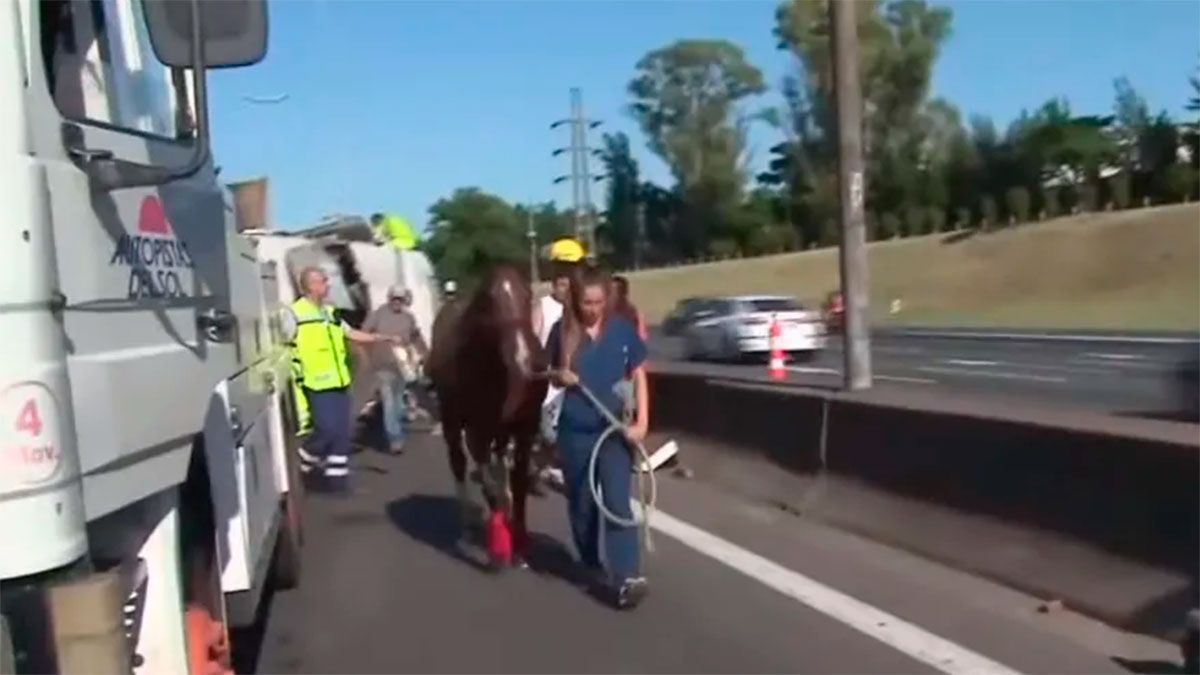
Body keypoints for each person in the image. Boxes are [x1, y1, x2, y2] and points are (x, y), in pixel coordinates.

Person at [547, 266, 651, 610]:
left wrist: (642, 422)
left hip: (614, 431)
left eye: (599, 302)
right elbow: (550, 373)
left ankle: (627, 576)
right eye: (586, 303)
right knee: (583, 503)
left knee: (618, 503)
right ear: (575, 301)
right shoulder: (562, 332)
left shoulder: (621, 330)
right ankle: (590, 559)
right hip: (576, 431)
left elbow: (639, 374)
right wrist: (561, 376)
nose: (593, 309)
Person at [286, 267, 398, 494]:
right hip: (317, 383)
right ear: (310, 286)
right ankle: (307, 454)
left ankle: (338, 483)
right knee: (327, 429)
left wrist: (381, 337)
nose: (327, 285)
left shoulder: (330, 312)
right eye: (323, 281)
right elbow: (284, 345)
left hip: (340, 381)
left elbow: (351, 333)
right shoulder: (294, 314)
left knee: (342, 433)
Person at [362, 285, 429, 454]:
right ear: (390, 298)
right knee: (390, 403)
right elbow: (364, 332)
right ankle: (395, 439)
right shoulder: (378, 314)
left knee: (399, 404)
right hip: (382, 365)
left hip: (402, 367)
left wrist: (425, 354)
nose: (397, 302)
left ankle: (395, 428)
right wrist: (373, 346)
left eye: (400, 299)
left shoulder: (408, 317)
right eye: (394, 299)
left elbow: (416, 336)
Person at [609, 275, 648, 340]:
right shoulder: (602, 312)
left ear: (625, 291)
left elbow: (642, 336)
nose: (615, 293)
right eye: (612, 290)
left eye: (619, 289)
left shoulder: (634, 313)